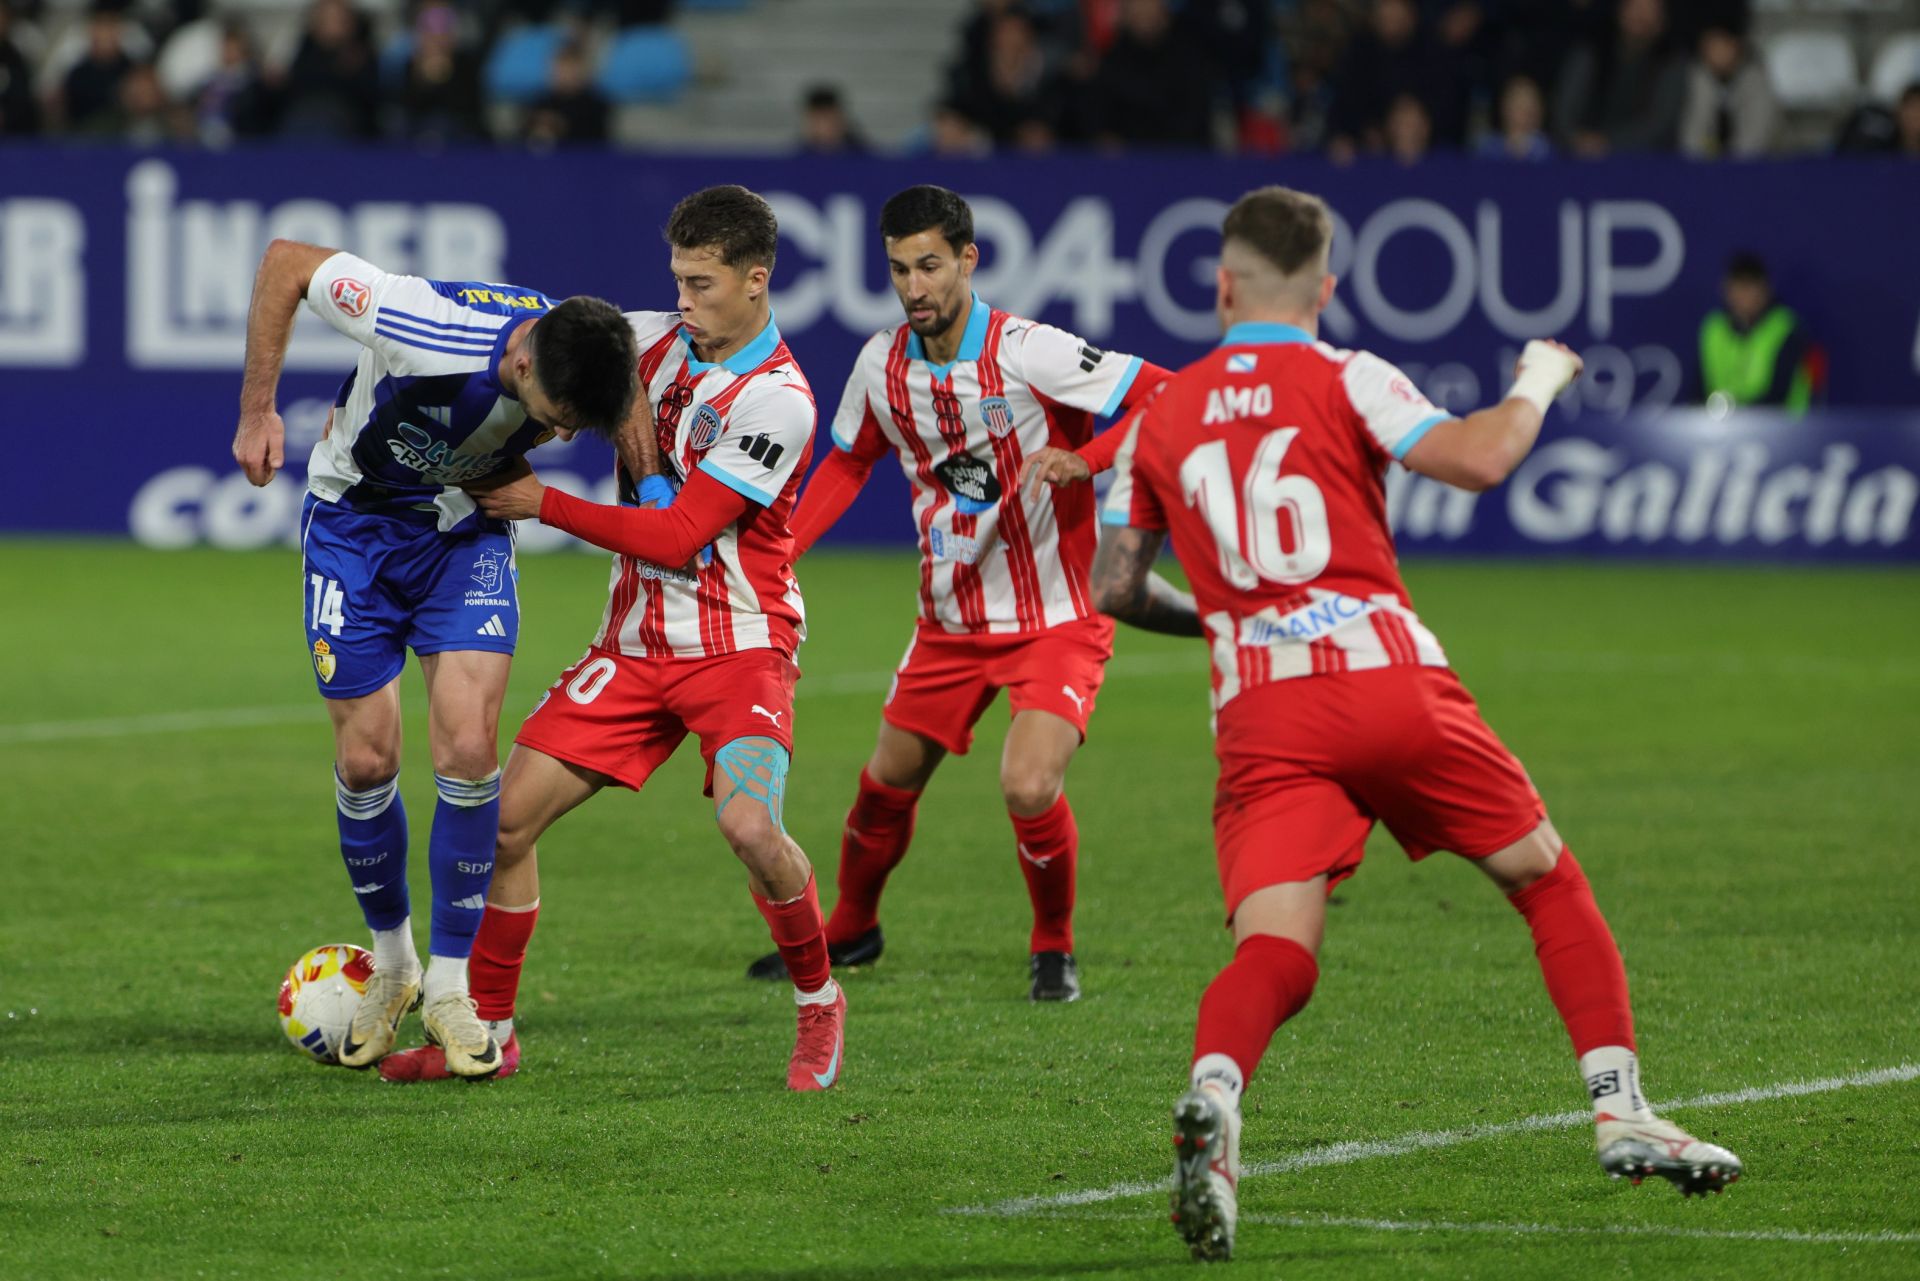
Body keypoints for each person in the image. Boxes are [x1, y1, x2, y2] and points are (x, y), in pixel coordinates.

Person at [1088, 186, 1742, 1261]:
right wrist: (1538, 378)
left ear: (1222, 286)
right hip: (1385, 680)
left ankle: (1216, 1092)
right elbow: (1480, 459)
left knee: (1277, 949)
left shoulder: (1163, 414)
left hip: (1261, 708)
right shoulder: (1349, 375)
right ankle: (1621, 1108)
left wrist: (1228, 620)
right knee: (1543, 879)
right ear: (1326, 289)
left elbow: (1115, 587)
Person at [380, 186, 847, 1092]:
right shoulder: (647, 340)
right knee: (502, 824)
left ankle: (819, 999)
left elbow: (679, 537)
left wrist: (541, 501)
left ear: (756, 281)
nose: (683, 300)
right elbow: (545, 340)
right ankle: (491, 1032)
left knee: (750, 825)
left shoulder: (779, 401)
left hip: (739, 645)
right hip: (631, 647)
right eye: (677, 279)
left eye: (703, 284)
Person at [739, 185, 1172, 1002]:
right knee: (884, 785)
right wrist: (782, 551)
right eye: (900, 268)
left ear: (969, 260)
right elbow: (848, 460)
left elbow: (1167, 393)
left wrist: (1089, 457)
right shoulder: (882, 364)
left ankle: (1053, 945)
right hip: (950, 620)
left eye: (930, 265)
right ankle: (853, 927)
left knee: (1028, 783)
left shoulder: (1030, 352)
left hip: (1056, 615)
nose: (915, 286)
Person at [231, 240, 640, 1078]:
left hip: (464, 535)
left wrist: (654, 490)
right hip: (354, 528)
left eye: (573, 423)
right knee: (366, 758)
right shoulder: (417, 322)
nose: (562, 431)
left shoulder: (587, 345)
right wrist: (257, 411)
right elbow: (287, 264)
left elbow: (626, 398)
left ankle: (451, 986)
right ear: (521, 360)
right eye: (556, 413)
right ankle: (393, 965)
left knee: (468, 746)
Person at [1698, 251, 1816, 412]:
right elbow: (1697, 392)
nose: (1744, 296)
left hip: (1784, 425)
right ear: (1726, 290)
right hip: (1722, 425)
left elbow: (1778, 396)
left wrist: (1731, 410)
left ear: (1765, 289)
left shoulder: (1786, 328)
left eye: (1750, 287)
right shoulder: (1713, 328)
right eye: (1738, 287)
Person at [1678, 24, 1775, 159]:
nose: (1714, 53)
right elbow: (1692, 135)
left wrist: (1731, 164)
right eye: (1708, 47)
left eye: (1719, 45)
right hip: (1708, 164)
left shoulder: (1754, 79)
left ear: (1735, 45)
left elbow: (1756, 135)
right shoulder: (1699, 79)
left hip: (1757, 163)